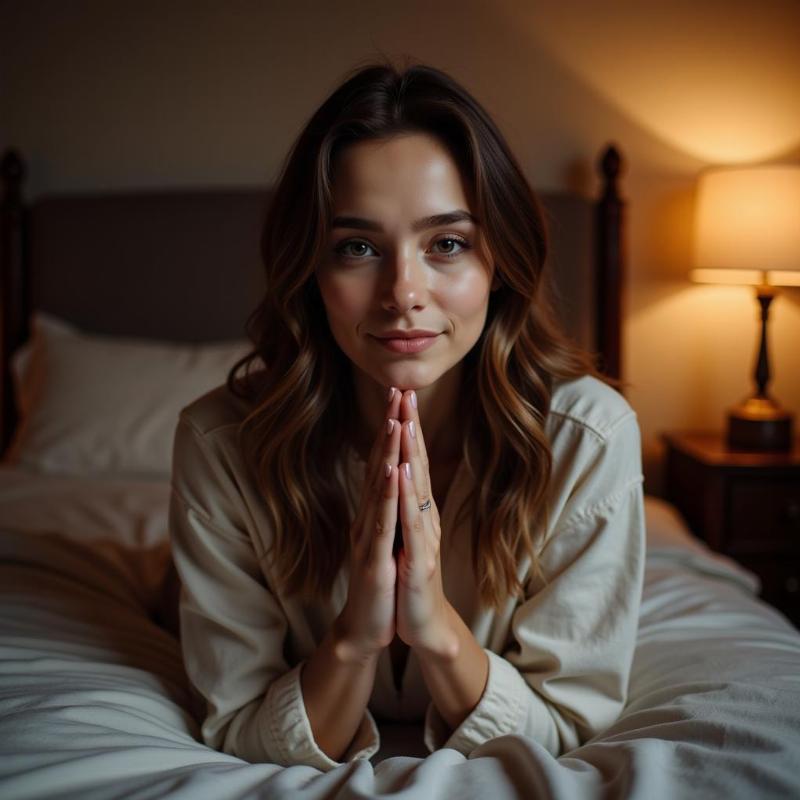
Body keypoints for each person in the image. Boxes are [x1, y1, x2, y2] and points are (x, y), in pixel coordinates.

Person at [168, 59, 645, 772]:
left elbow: (565, 724)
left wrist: (436, 626)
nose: (403, 292)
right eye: (358, 248)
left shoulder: (589, 438)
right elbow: (237, 724)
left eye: (446, 244)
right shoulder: (220, 444)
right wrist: (356, 635)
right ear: (310, 271)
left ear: (500, 262)